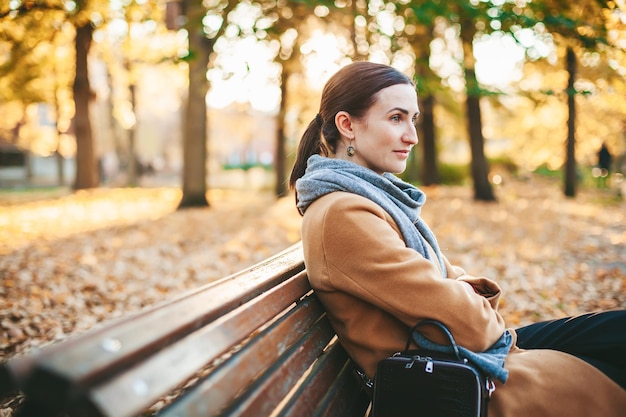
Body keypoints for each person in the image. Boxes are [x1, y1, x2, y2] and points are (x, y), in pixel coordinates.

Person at [288, 61, 626, 417]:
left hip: (457, 356)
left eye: (413, 119)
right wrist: (464, 297)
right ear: (347, 125)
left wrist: (460, 294)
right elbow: (466, 320)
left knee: (615, 331)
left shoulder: (365, 199)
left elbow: (446, 289)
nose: (412, 136)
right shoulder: (344, 214)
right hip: (449, 381)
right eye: (396, 118)